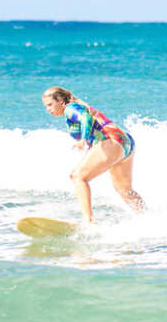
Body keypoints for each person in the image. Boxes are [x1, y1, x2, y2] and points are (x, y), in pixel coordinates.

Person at [41, 85, 145, 224]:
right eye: (46, 106)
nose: (48, 110)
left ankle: (88, 222)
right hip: (125, 143)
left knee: (78, 177)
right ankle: (147, 219)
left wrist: (83, 139)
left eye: (50, 105)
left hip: (111, 142)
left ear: (60, 100)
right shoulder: (77, 106)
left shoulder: (71, 108)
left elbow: (86, 119)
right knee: (124, 190)